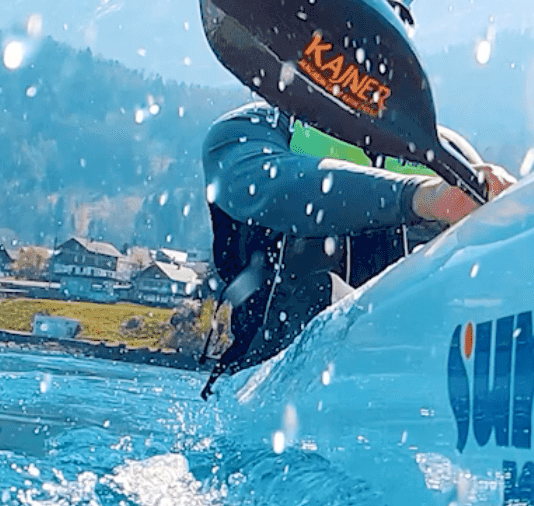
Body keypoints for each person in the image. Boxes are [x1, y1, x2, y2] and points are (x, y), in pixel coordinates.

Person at [198, 97, 511, 396]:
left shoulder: (449, 153)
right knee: (322, 293)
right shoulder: (249, 129)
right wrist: (422, 197)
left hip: (404, 382)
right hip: (263, 384)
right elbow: (261, 185)